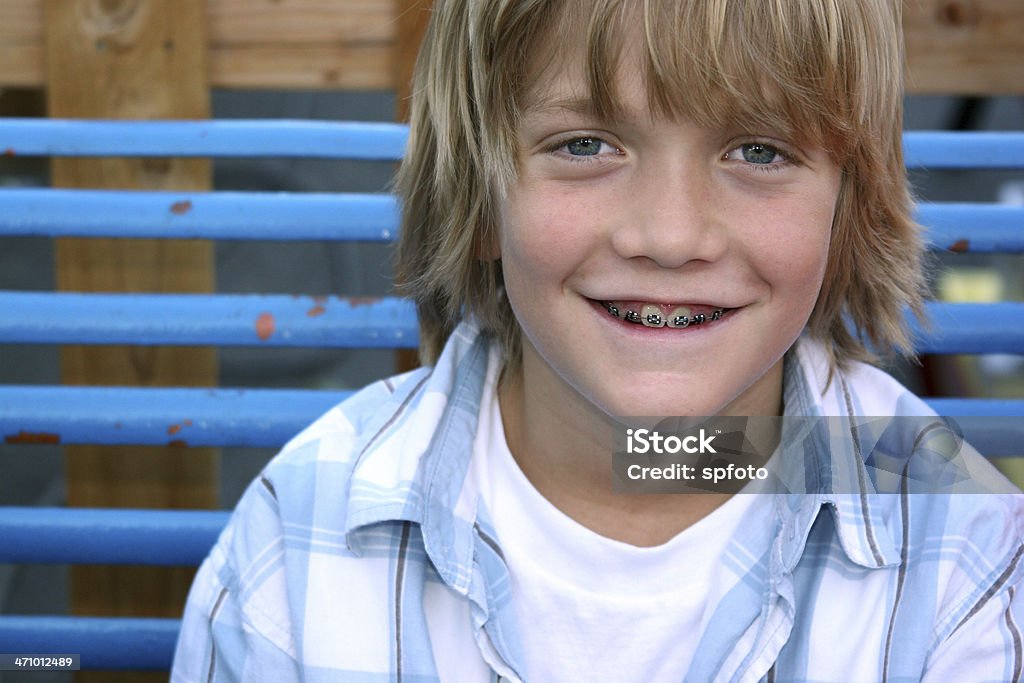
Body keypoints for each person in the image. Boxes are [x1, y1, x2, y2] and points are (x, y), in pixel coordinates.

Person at [171, 0, 1024, 680]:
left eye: (758, 150)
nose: (671, 233)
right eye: (585, 144)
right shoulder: (303, 535)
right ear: (477, 197)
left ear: (849, 210)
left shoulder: (959, 556)